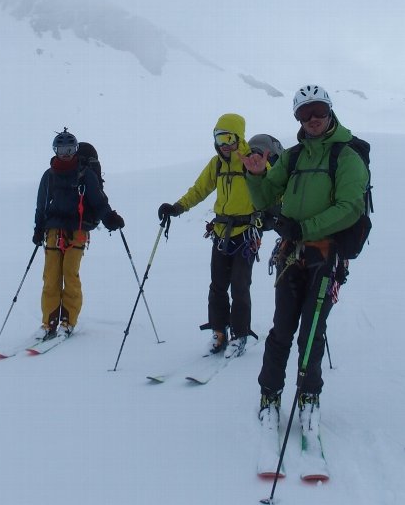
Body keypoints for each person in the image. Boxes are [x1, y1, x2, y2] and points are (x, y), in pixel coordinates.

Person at [241, 85, 369, 437]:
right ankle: (270, 395)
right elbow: (267, 197)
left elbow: (350, 207)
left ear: (329, 112)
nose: (312, 119)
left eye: (318, 111)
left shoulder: (346, 156)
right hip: (291, 256)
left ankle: (309, 396)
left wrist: (304, 227)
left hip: (325, 258)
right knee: (281, 329)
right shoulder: (294, 157)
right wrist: (255, 175)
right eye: (304, 114)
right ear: (297, 117)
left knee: (312, 333)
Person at [157, 113, 264, 356]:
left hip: (246, 234)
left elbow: (272, 188)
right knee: (217, 286)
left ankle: (239, 334)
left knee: (239, 286)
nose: (224, 144)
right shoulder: (216, 164)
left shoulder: (253, 161)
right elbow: (199, 190)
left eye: (228, 138)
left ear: (239, 137)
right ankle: (219, 331)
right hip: (220, 234)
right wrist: (177, 207)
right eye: (219, 138)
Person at [32, 129, 124, 341]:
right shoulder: (49, 176)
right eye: (61, 149)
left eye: (69, 149)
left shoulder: (85, 175)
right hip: (53, 230)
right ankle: (49, 322)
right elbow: (41, 205)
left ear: (75, 150)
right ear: (55, 150)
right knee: (51, 277)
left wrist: (109, 217)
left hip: (78, 229)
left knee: (70, 275)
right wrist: (38, 229)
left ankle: (68, 321)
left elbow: (98, 200)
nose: (65, 154)